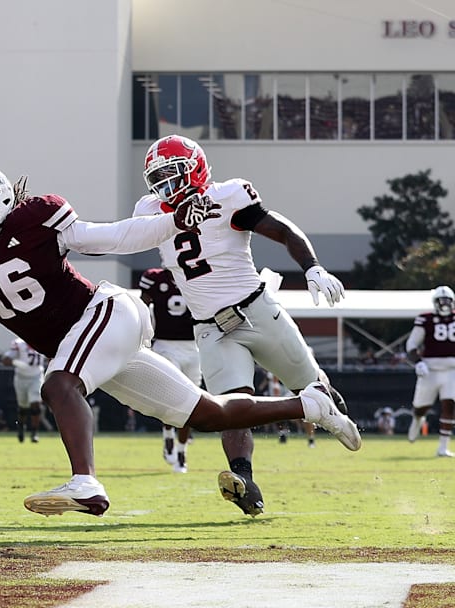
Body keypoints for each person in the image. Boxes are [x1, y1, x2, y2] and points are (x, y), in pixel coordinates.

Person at [0, 160, 361, 517]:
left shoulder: (36, 220)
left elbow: (113, 237)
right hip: (94, 340)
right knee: (205, 414)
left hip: (107, 313)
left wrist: (173, 221)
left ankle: (86, 484)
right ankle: (309, 405)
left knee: (60, 383)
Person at [133, 134, 349, 516]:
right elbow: (126, 237)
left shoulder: (229, 195)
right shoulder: (150, 209)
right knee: (232, 408)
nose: (166, 185)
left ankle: (333, 413)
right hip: (211, 328)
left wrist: (312, 267)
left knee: (315, 386)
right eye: (159, 178)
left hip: (258, 311)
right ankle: (243, 480)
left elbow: (281, 230)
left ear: (196, 169)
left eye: (173, 174)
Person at [138, 267, 199, 473]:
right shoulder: (155, 278)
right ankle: (168, 434)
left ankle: (182, 452)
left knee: (191, 400)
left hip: (193, 347)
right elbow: (142, 307)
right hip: (165, 345)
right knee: (171, 395)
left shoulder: (197, 274)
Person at [405, 285, 455, 457]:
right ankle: (417, 418)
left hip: (452, 369)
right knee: (421, 407)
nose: (444, 304)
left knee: (450, 404)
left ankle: (443, 447)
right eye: (441, 301)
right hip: (430, 369)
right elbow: (411, 344)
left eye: (447, 301)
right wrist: (418, 362)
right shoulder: (425, 319)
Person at [1, 337, 46, 443]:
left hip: (36, 376)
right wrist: (12, 361)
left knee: (35, 405)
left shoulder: (44, 340)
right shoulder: (19, 343)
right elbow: (7, 358)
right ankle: (21, 428)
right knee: (23, 407)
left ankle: (34, 433)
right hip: (21, 378)